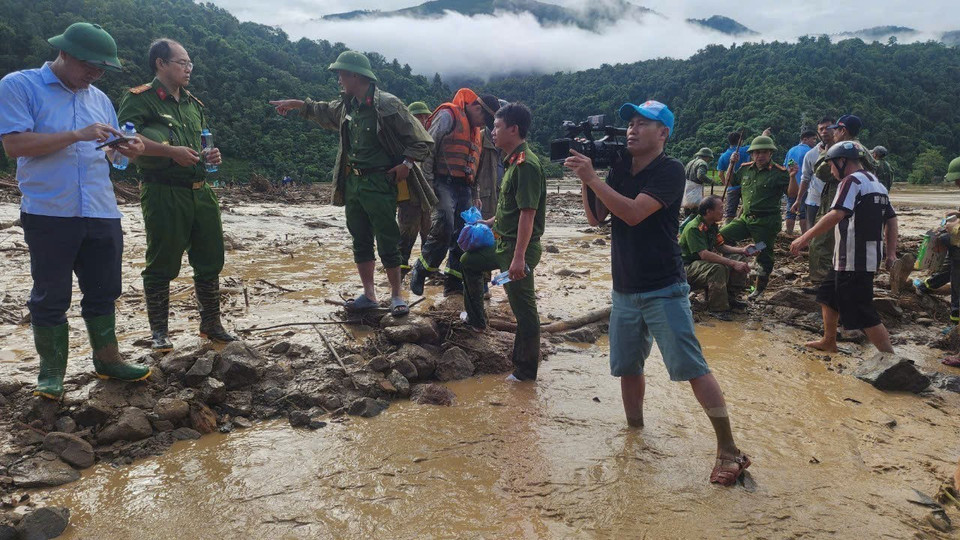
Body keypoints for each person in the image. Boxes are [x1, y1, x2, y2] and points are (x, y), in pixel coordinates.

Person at [565, 99, 750, 486]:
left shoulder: (670, 170)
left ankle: (729, 449)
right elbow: (597, 219)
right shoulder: (619, 166)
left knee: (691, 367)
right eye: (630, 123)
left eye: (642, 123)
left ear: (663, 133)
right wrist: (587, 177)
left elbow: (633, 213)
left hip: (664, 287)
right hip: (624, 288)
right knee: (628, 368)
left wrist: (593, 179)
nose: (632, 129)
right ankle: (635, 434)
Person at [0, 22, 151, 399]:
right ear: (64, 52)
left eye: (102, 69)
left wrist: (127, 152)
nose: (95, 74)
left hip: (101, 209)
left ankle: (108, 359)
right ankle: (52, 372)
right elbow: (15, 146)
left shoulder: (99, 99)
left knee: (104, 290)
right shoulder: (20, 85)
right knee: (50, 295)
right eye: (89, 66)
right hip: (49, 210)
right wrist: (76, 135)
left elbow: (112, 157)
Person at [269, 51, 435, 317]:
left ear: (356, 76)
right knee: (360, 237)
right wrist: (296, 104)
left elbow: (422, 140)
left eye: (341, 74)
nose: (338, 79)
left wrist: (407, 163)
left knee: (387, 238)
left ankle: (396, 295)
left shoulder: (388, 105)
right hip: (354, 182)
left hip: (380, 182)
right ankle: (369, 295)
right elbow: (322, 110)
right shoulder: (348, 106)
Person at [118, 38, 235, 352]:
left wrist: (211, 156)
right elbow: (125, 139)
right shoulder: (140, 99)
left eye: (190, 64)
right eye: (182, 63)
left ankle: (211, 324)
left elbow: (202, 143)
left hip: (201, 191)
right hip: (163, 190)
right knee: (162, 261)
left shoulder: (194, 105)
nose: (188, 69)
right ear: (161, 63)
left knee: (210, 258)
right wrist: (169, 152)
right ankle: (159, 332)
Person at [460, 103, 545, 382]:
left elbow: (528, 214)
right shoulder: (511, 163)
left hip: (518, 249)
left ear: (513, 129)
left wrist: (519, 258)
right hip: (503, 245)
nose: (492, 132)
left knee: (524, 308)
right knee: (469, 262)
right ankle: (477, 320)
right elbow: (512, 209)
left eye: (497, 126)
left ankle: (525, 372)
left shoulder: (526, 166)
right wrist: (488, 222)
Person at [790, 141, 897, 354]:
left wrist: (804, 237)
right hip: (855, 256)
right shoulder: (876, 183)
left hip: (853, 258)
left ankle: (891, 359)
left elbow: (837, 213)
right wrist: (891, 252)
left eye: (831, 165)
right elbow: (892, 220)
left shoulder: (851, 181)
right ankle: (829, 341)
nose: (831, 170)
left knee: (863, 311)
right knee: (827, 296)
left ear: (841, 161)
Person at [410, 90, 500, 297]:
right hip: (442, 181)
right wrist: (428, 185)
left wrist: (475, 193)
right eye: (483, 119)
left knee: (464, 233)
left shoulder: (475, 131)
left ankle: (453, 283)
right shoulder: (448, 115)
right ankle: (422, 268)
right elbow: (428, 150)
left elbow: (474, 164)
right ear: (476, 107)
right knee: (445, 224)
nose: (482, 124)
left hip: (464, 186)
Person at [719, 136, 799, 299]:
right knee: (720, 237)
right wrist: (731, 164)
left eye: (764, 152)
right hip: (746, 219)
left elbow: (792, 194)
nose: (760, 156)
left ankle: (759, 289)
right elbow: (729, 181)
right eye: (756, 152)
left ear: (770, 153)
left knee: (763, 252)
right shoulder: (745, 169)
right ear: (751, 154)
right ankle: (738, 263)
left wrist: (792, 176)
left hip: (766, 223)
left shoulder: (779, 172)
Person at [680, 196, 755, 314]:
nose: (723, 211)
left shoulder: (712, 225)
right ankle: (718, 308)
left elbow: (720, 246)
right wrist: (733, 263)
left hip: (700, 264)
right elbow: (704, 254)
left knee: (740, 258)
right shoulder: (694, 228)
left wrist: (742, 250)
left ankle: (730, 298)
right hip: (686, 267)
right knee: (717, 268)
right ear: (709, 211)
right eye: (720, 208)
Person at [397, 100, 434, 272]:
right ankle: (400, 270)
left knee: (428, 233)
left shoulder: (428, 140)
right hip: (409, 196)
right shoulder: (403, 140)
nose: (423, 120)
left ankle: (425, 270)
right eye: (419, 117)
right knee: (407, 234)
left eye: (425, 117)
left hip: (426, 196)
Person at [792, 118, 835, 247]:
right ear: (818, 133)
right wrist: (798, 200)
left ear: (836, 129)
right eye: (821, 129)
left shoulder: (842, 151)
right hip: (814, 201)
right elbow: (805, 178)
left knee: (834, 235)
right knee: (813, 235)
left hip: (835, 201)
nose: (824, 131)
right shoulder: (811, 155)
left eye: (828, 128)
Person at [783, 129, 817, 234]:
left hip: (792, 185)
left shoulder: (791, 150)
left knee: (790, 211)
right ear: (805, 139)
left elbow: (786, 167)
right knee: (803, 212)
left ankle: (789, 233)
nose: (815, 142)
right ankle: (804, 235)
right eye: (813, 139)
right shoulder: (811, 152)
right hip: (805, 186)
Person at [717, 131, 751, 224]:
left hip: (732, 187)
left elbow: (720, 174)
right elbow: (758, 145)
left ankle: (728, 227)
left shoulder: (723, 156)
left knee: (730, 213)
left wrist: (727, 184)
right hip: (746, 185)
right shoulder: (746, 150)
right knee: (748, 209)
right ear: (741, 141)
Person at [682, 147, 713, 218]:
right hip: (695, 191)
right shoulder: (702, 163)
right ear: (706, 157)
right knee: (696, 213)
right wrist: (710, 181)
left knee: (687, 213)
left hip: (687, 190)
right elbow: (700, 175)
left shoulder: (690, 163)